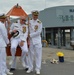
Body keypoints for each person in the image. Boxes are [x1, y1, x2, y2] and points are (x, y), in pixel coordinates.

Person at [26, 10, 42, 75]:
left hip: (37, 41)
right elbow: (26, 30)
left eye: (37, 15)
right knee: (30, 55)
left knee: (38, 55)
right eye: (34, 15)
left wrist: (30, 35)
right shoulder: (28, 22)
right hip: (30, 41)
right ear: (32, 15)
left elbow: (38, 32)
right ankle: (30, 67)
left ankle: (38, 69)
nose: (35, 16)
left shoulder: (39, 22)